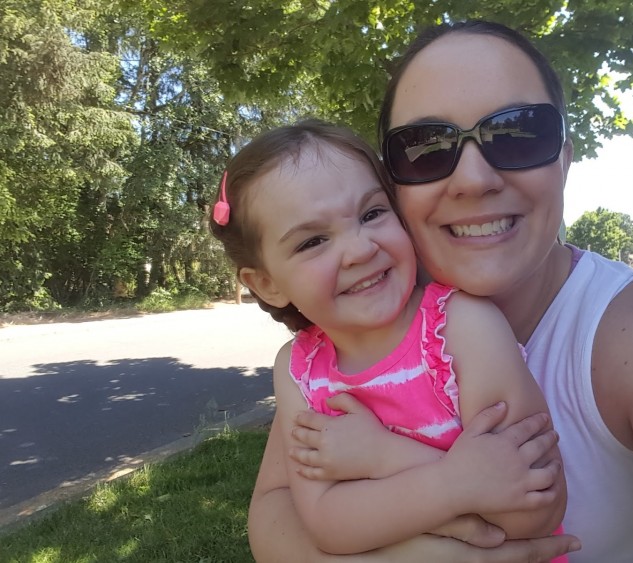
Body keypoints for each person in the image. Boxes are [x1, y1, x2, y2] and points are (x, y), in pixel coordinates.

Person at [246, 20, 633, 563]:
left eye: (516, 133)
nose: (473, 180)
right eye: (427, 147)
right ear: (394, 184)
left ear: (563, 159)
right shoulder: (369, 328)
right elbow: (274, 520)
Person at [210, 119, 568, 557]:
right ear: (266, 283)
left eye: (372, 214)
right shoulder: (299, 373)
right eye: (313, 241)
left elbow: (534, 509)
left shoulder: (461, 330)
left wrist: (385, 458)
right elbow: (327, 525)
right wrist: (459, 482)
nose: (360, 249)